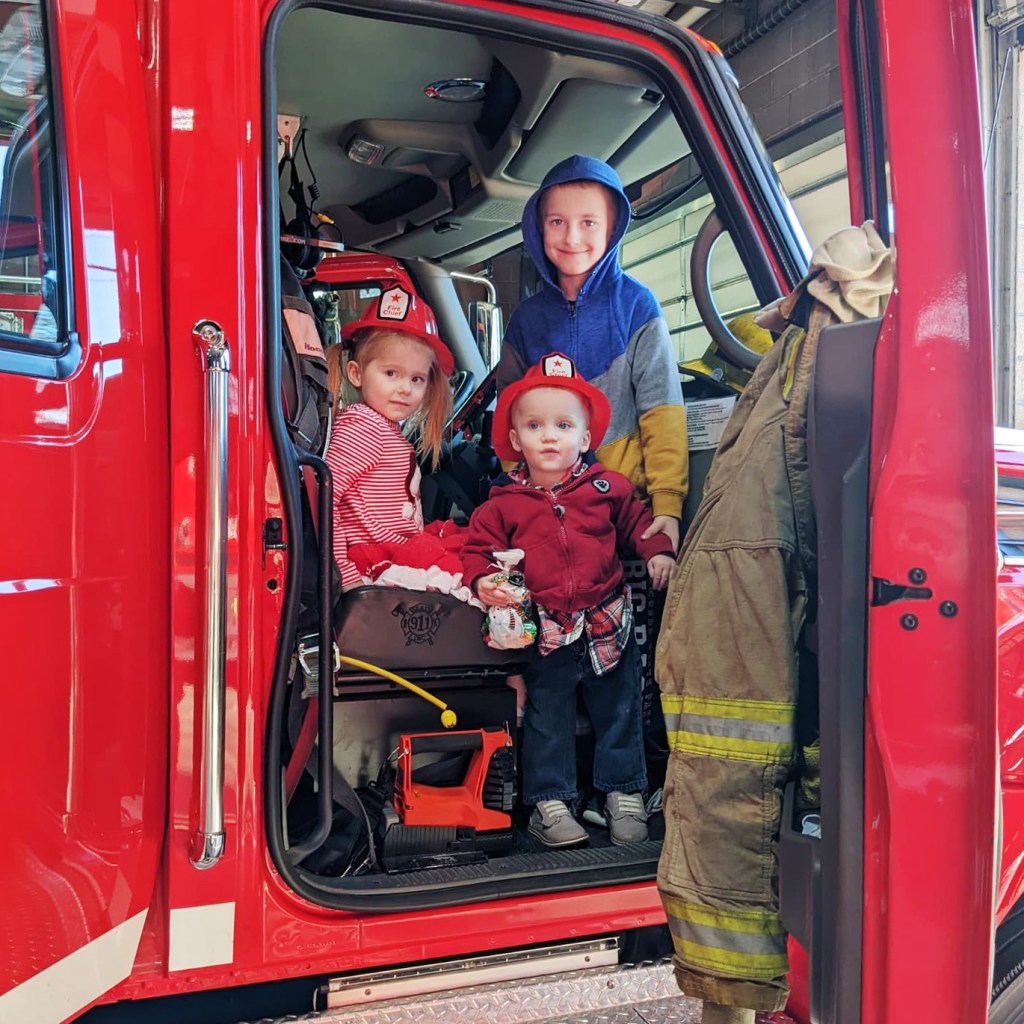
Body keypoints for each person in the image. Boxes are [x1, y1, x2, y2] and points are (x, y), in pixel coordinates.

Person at [463, 353, 676, 848]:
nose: (550, 436)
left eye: (563, 425)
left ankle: (623, 793)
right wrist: (482, 582)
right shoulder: (502, 504)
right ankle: (549, 801)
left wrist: (658, 552)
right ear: (516, 441)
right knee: (548, 715)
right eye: (535, 425)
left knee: (620, 709)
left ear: (585, 438)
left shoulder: (606, 488)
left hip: (608, 619)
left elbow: (637, 523)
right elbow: (477, 551)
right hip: (546, 627)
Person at [496, 154, 687, 552]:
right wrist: (519, 490)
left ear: (612, 227)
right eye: (557, 223)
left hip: (624, 508)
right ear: (538, 227)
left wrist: (668, 503)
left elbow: (662, 408)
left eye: (588, 223)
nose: (572, 238)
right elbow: (507, 418)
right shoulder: (525, 321)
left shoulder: (636, 305)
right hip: (546, 509)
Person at [324, 283, 467, 595]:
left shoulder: (385, 427)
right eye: (391, 374)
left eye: (416, 379)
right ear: (356, 373)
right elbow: (324, 496)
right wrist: (342, 573)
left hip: (395, 553)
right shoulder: (362, 427)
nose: (405, 388)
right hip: (372, 563)